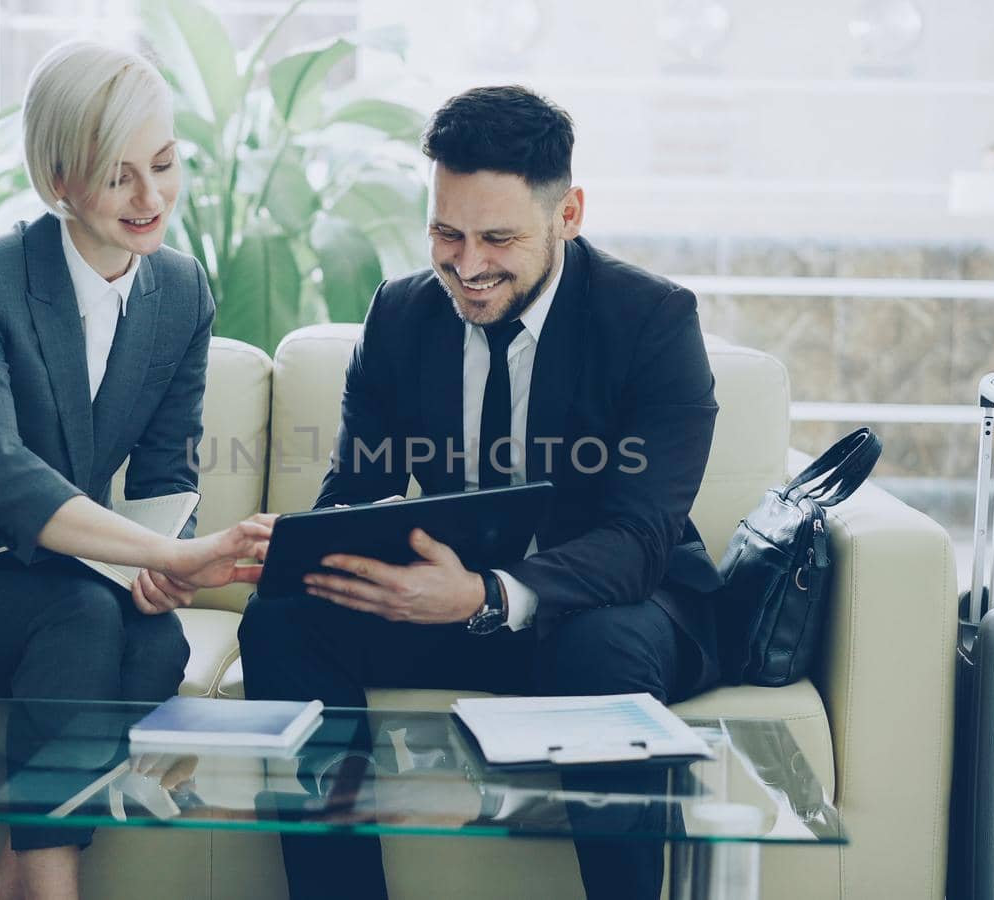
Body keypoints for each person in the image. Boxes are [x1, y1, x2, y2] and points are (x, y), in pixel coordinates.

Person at [237, 85, 722, 900]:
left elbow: (638, 539)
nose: (467, 265)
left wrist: (487, 595)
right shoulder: (401, 316)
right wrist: (295, 548)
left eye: (498, 237)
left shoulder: (652, 321)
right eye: (445, 232)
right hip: (446, 600)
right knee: (285, 621)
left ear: (567, 213)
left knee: (596, 652)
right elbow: (358, 486)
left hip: (612, 604)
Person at [0, 40, 271, 900]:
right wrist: (171, 559)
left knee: (153, 643)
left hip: (61, 583)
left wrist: (154, 557)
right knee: (78, 617)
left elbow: (165, 467)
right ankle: (51, 890)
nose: (151, 198)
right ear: (59, 180)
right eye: (119, 177)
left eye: (165, 164)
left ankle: (8, 874)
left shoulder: (180, 291)